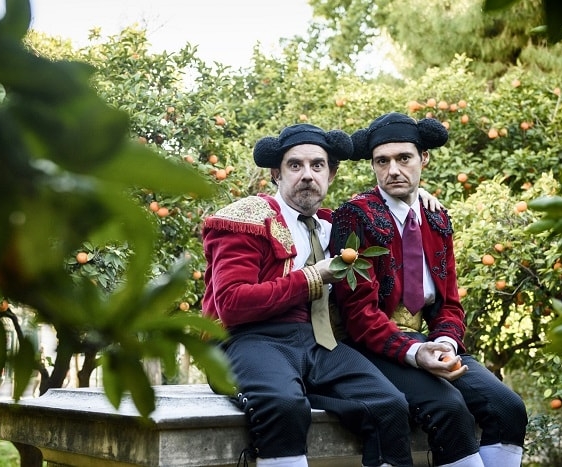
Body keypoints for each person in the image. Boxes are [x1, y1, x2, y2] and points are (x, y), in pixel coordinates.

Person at [201, 123, 415, 467]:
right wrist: (313, 277)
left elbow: (393, 210)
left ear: (331, 174)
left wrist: (421, 197)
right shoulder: (246, 217)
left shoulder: (335, 226)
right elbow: (231, 304)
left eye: (317, 165)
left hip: (319, 343)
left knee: (389, 405)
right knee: (284, 405)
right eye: (294, 165)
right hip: (249, 340)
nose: (307, 175)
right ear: (276, 173)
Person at [330, 113, 528, 467]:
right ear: (373, 165)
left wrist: (445, 344)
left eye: (404, 158)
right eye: (382, 161)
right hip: (372, 348)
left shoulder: (436, 217)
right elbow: (358, 314)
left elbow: (449, 304)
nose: (393, 170)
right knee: (449, 408)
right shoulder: (355, 216)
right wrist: (415, 351)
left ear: (424, 158)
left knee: (508, 407)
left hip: (429, 342)